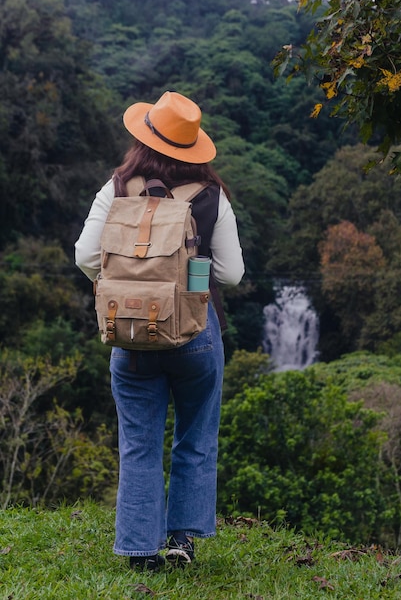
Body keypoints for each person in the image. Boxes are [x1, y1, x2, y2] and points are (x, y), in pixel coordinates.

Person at [75, 91, 244, 572]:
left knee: (138, 441)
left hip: (129, 329)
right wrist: (188, 277)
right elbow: (231, 274)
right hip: (196, 333)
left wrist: (130, 283)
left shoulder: (117, 186)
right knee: (194, 437)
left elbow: (86, 258)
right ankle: (181, 542)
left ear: (144, 138)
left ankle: (138, 548)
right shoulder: (212, 196)